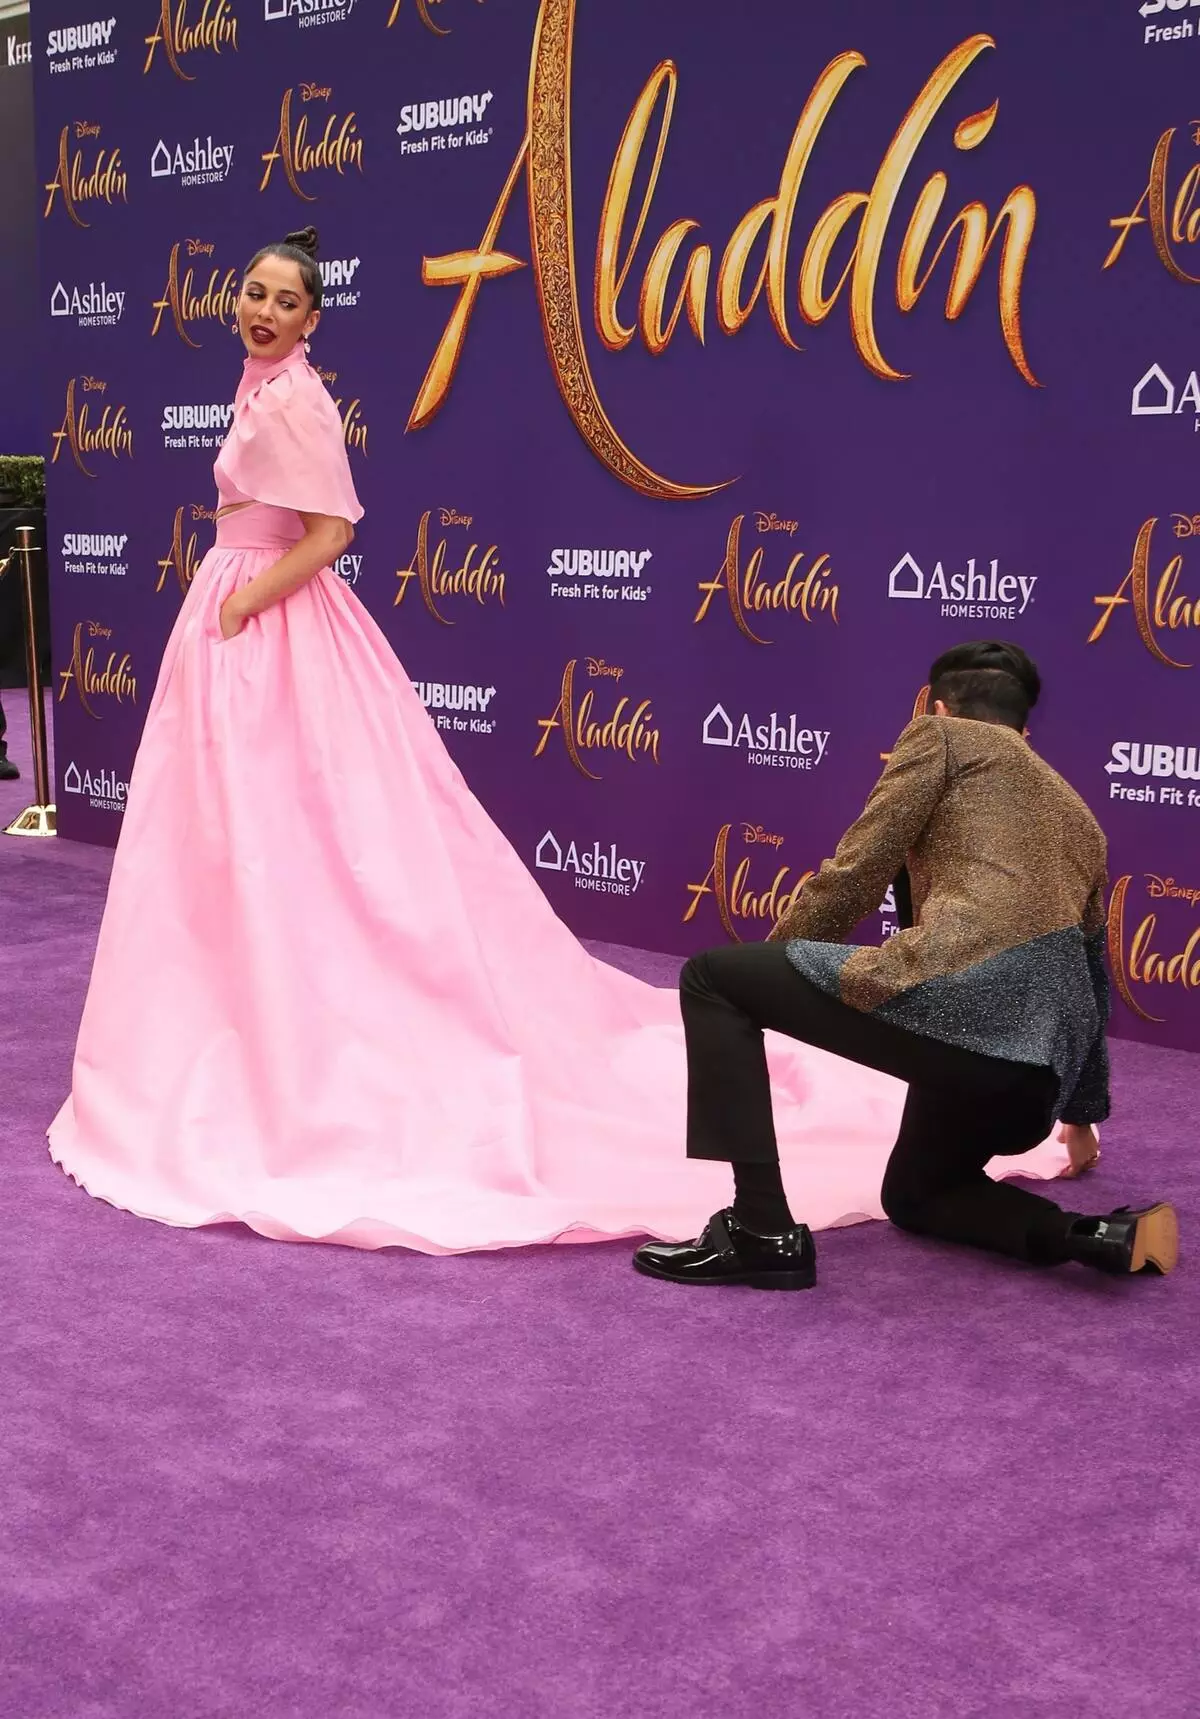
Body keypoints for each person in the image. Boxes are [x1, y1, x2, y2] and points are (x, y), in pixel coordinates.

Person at [48, 233, 1070, 1255]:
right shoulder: (261, 387)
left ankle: (287, 1055)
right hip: (238, 621)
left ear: (316, 320)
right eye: (252, 292)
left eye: (285, 301)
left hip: (264, 627)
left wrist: (242, 609)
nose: (263, 310)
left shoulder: (302, 402)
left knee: (299, 840)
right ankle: (219, 1036)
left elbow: (329, 535)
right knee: (227, 841)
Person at [634, 641, 1178, 1290]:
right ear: (1024, 728)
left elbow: (855, 873)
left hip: (964, 1016)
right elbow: (1092, 976)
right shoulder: (1082, 817)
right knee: (916, 1195)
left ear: (937, 707)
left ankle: (760, 1230)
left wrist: (763, 967)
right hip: (1033, 1082)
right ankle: (1090, 1236)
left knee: (713, 978)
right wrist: (1080, 1118)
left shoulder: (940, 739)